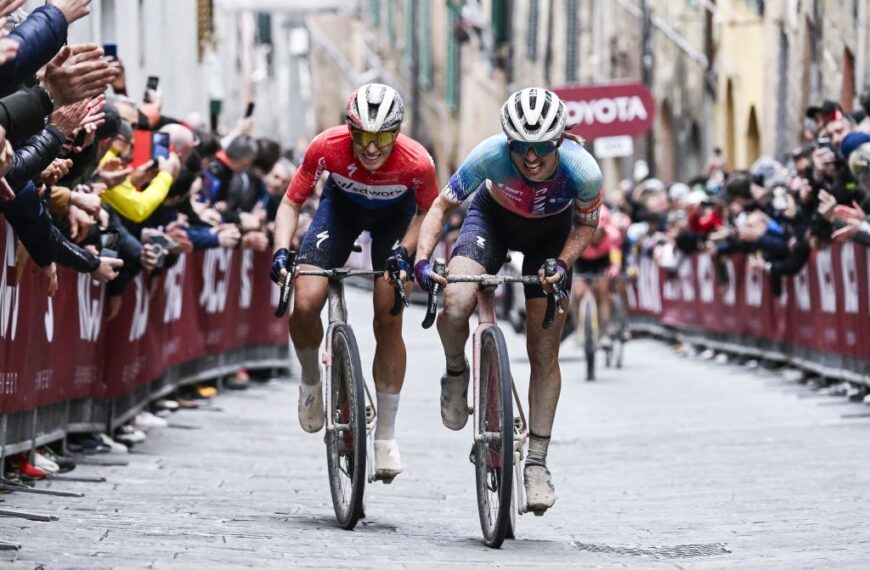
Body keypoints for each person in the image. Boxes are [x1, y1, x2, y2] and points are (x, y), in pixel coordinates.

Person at [413, 87, 603, 513]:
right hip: (491, 221)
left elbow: (587, 225)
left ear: (560, 141)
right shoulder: (489, 155)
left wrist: (565, 261)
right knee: (457, 300)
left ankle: (536, 462)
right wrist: (423, 261)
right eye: (520, 148)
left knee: (543, 349)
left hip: (550, 236)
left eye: (541, 148)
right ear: (507, 142)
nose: (530, 158)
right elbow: (442, 206)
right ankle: (456, 370)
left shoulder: (583, 171)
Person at [270, 83, 438, 481]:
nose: (372, 148)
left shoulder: (418, 162)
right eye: (363, 137)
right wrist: (281, 249)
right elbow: (292, 202)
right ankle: (311, 379)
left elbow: (431, 212)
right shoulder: (327, 146)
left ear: (396, 134)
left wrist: (407, 251)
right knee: (307, 301)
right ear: (350, 131)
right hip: (339, 212)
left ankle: (385, 438)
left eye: (382, 138)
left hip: (394, 220)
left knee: (388, 317)